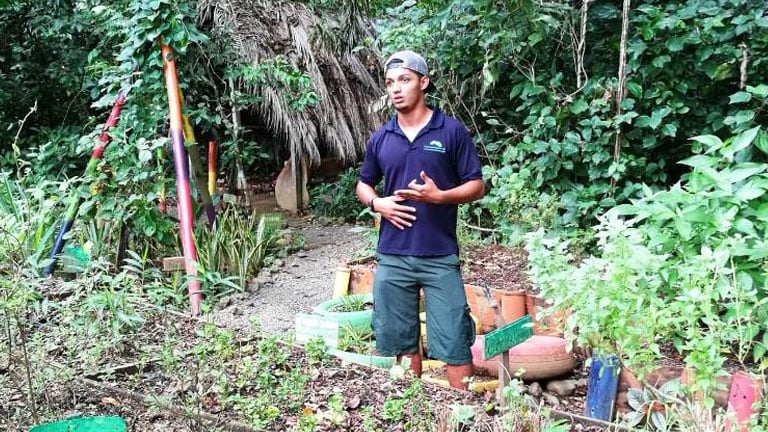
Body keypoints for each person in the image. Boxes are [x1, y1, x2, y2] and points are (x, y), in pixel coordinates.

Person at [356, 50, 485, 390]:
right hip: (393, 255)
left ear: (423, 83)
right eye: (389, 83)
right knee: (401, 341)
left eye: (404, 80)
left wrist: (440, 197)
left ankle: (462, 415)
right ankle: (413, 412)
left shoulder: (452, 131)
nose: (395, 89)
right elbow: (363, 183)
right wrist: (377, 203)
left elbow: (477, 185)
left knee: (455, 343)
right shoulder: (381, 138)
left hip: (439, 255)